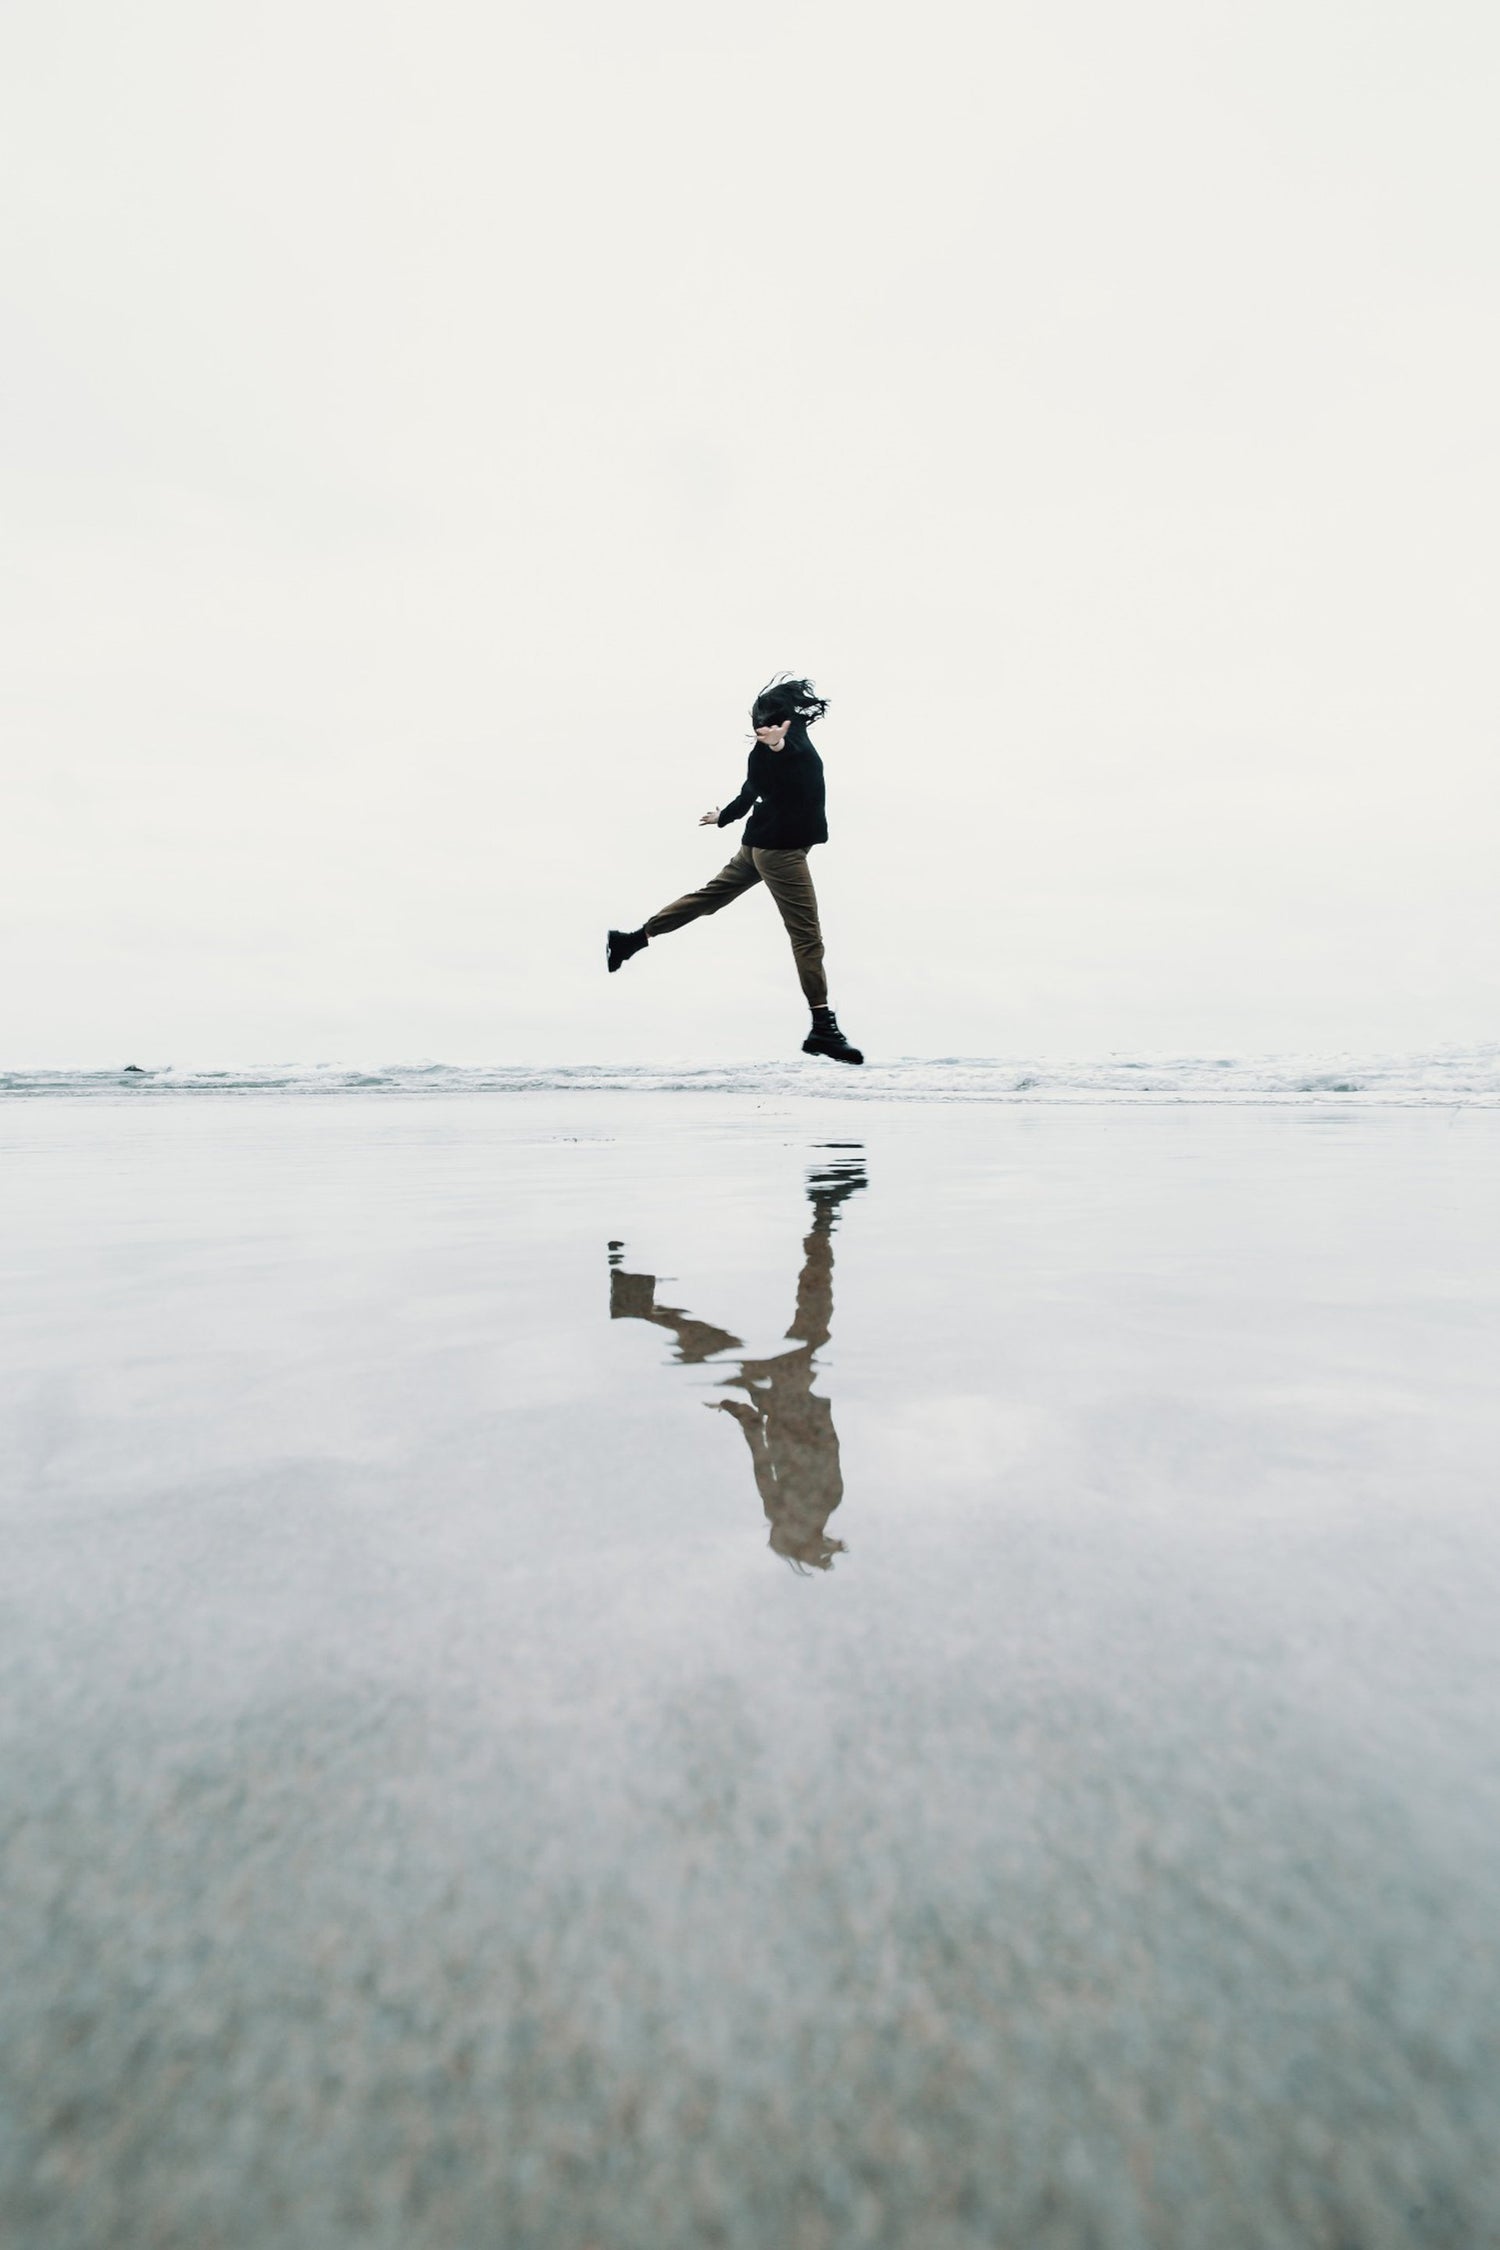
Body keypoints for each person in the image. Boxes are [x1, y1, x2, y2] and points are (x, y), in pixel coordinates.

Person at [606, 676, 863, 1064]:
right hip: (780, 853)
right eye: (763, 726)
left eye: (774, 722)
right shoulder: (772, 750)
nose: (769, 729)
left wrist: (723, 816)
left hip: (757, 844)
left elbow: (748, 794)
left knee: (708, 899)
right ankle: (822, 1028)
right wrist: (774, 744)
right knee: (807, 937)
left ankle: (632, 939)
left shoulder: (795, 732)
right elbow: (775, 759)